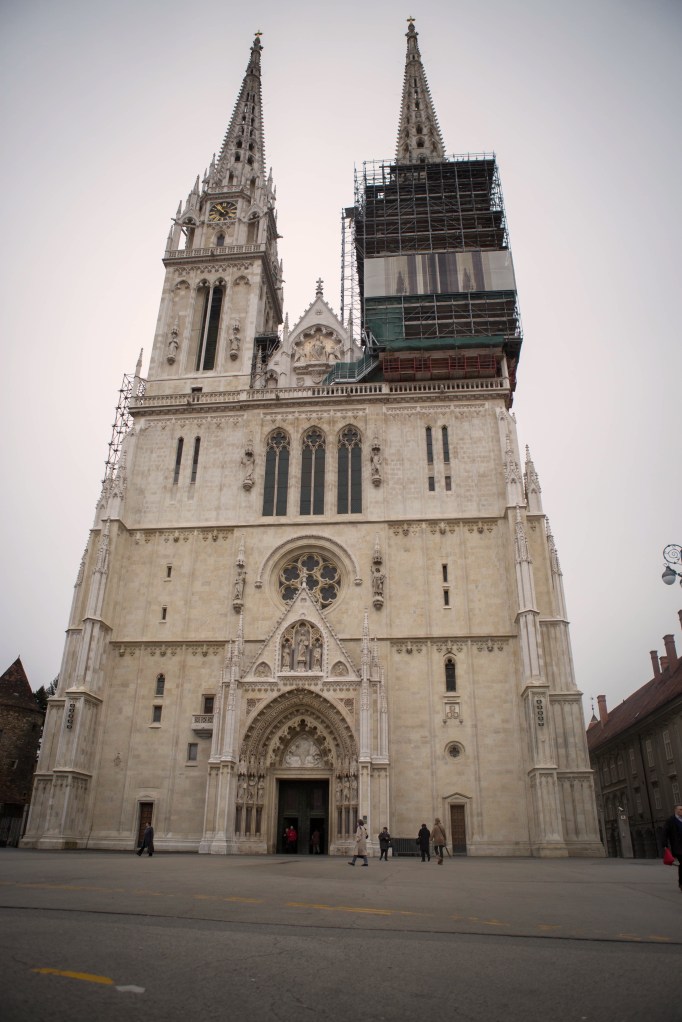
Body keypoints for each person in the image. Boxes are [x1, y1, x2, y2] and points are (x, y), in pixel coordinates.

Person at [664, 804, 682, 893]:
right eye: (680, 809)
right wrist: (664, 845)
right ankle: (681, 883)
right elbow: (665, 833)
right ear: (676, 810)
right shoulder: (670, 821)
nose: (681, 811)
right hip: (678, 847)